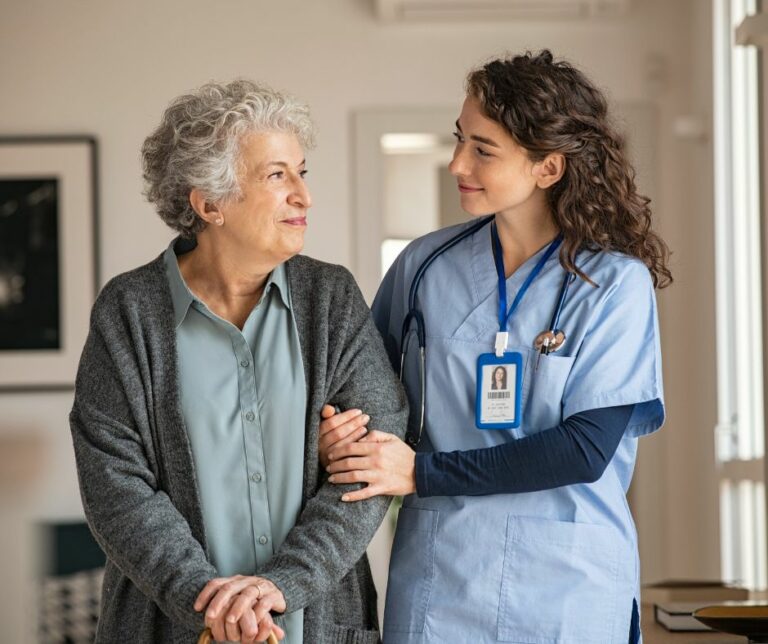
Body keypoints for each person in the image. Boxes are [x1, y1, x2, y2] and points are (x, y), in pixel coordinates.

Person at [319, 50, 669, 643]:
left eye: (484, 149)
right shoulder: (423, 267)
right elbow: (365, 394)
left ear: (548, 168)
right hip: (442, 579)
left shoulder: (613, 285)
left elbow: (584, 449)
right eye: (460, 140)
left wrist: (421, 473)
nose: (457, 162)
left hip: (567, 586)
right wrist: (343, 432)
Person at [69, 80, 407, 644]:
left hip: (317, 625)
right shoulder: (128, 312)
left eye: (302, 172)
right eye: (277, 176)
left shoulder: (331, 298)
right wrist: (211, 605)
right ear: (208, 203)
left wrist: (282, 586)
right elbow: (115, 486)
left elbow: (371, 462)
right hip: (170, 626)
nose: (304, 196)